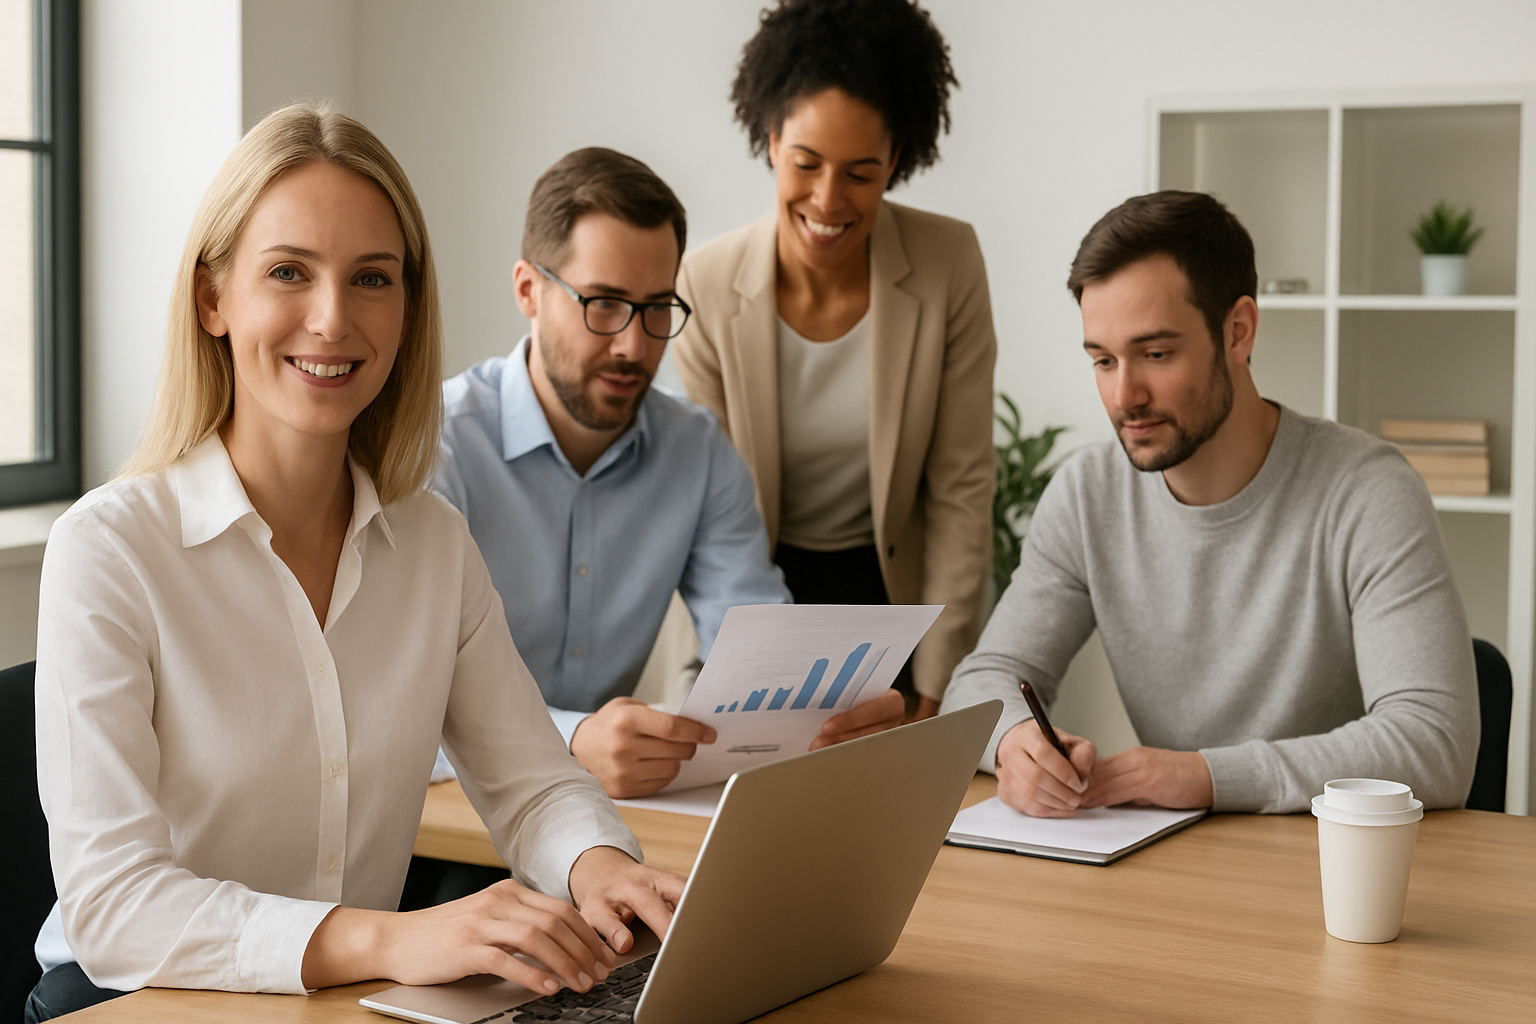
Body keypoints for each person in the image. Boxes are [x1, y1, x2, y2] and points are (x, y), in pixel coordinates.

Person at [28, 106, 681, 1022]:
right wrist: (401, 935)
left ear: (407, 309)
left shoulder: (434, 545)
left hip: (341, 998)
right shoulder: (109, 550)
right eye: (289, 272)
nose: (333, 319)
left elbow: (532, 783)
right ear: (213, 299)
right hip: (132, 1000)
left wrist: (601, 868)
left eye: (372, 278)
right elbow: (113, 907)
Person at [939, 190, 1481, 817]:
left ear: (1238, 332)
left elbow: (1434, 742)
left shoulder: (1366, 492)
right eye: (1103, 360)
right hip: (1176, 867)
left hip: (1332, 872)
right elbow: (982, 680)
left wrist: (1209, 776)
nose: (1124, 395)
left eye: (1156, 354)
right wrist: (1015, 742)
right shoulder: (1088, 494)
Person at [434, 147, 906, 800]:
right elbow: (398, 701)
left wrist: (827, 717)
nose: (634, 344)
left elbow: (758, 651)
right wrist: (570, 742)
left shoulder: (698, 452)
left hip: (596, 824)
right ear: (528, 291)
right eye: (603, 304)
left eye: (658, 309)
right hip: (444, 829)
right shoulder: (439, 446)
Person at [673, 0, 997, 720]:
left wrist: (936, 684)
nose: (828, 200)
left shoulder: (949, 263)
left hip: (897, 592)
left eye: (861, 172)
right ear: (770, 138)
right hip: (755, 577)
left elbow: (961, 486)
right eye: (806, 163)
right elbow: (711, 505)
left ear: (899, 160)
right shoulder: (705, 282)